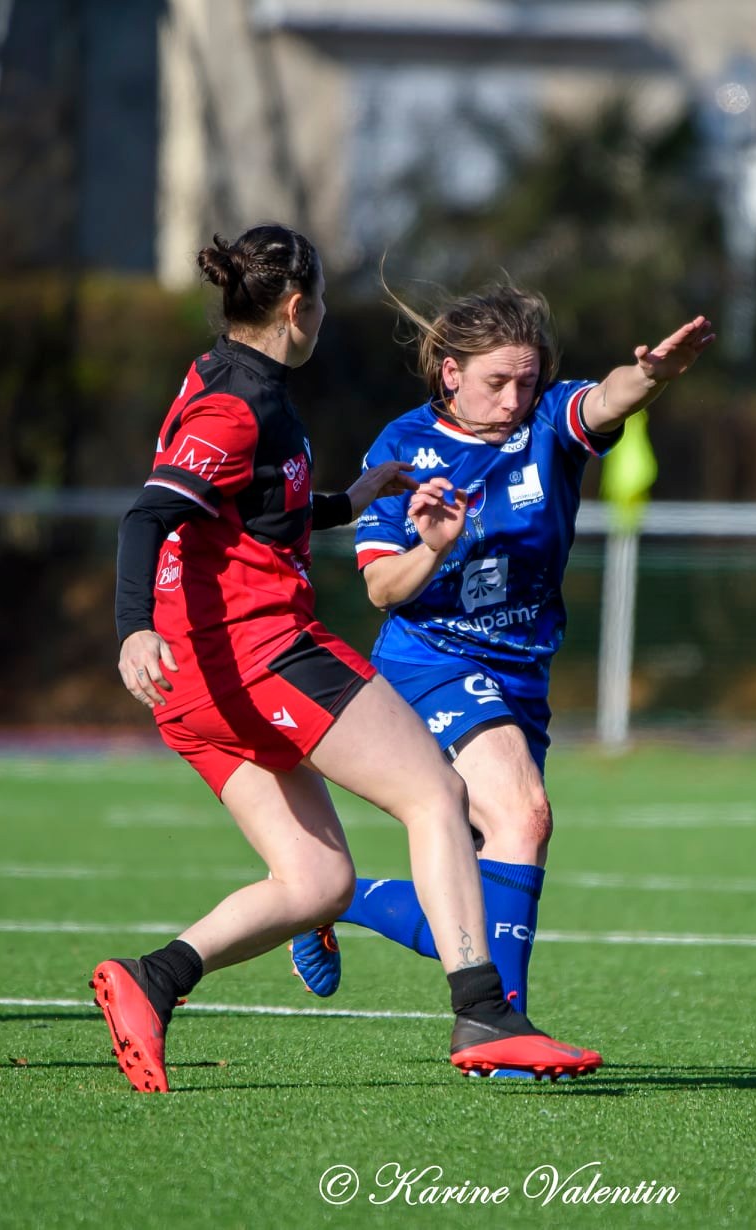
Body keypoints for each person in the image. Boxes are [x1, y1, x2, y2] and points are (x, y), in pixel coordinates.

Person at [93, 224, 603, 1090]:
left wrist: (348, 500)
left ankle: (153, 981)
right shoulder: (237, 404)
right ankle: (484, 1012)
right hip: (260, 652)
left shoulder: (224, 376)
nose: (326, 314)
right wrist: (132, 628)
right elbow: (150, 514)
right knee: (435, 795)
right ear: (298, 307)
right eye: (323, 300)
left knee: (318, 881)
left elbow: (253, 509)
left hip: (200, 687)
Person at [286, 282, 714, 1035]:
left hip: (523, 672)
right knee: (524, 814)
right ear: (450, 372)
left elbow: (606, 398)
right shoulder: (403, 446)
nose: (515, 399)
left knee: (478, 900)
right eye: (496, 382)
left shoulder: (548, 421)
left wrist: (653, 376)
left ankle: (335, 898)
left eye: (528, 380)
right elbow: (383, 589)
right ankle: (496, 1030)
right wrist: (433, 547)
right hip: (432, 661)